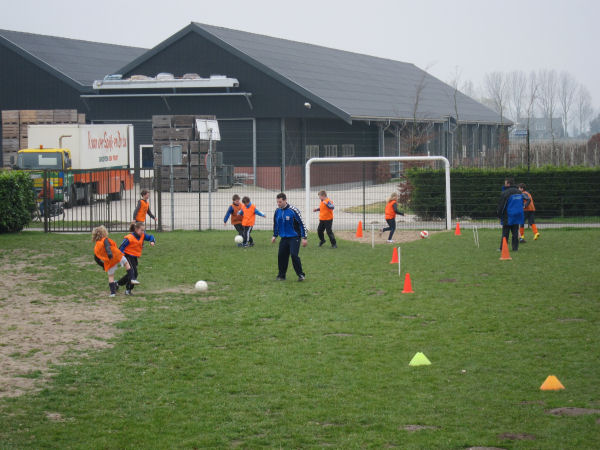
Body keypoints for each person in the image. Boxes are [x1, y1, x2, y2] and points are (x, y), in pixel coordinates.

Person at [92, 225, 138, 297]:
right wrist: (110, 253)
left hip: (109, 261)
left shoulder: (96, 246)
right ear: (104, 233)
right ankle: (132, 278)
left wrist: (102, 265)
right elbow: (107, 246)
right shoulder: (105, 239)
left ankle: (113, 293)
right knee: (127, 264)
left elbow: (96, 258)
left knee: (111, 276)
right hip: (116, 256)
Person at [271, 192, 307, 281]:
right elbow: (276, 224)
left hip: (294, 237)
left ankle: (301, 275)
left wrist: (304, 237)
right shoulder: (277, 211)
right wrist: (274, 235)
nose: (278, 204)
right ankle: (281, 275)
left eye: (280, 202)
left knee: (294, 255)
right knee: (281, 256)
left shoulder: (293, 210)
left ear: (285, 200)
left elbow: (302, 224)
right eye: (277, 202)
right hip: (284, 238)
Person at [117, 222, 156, 295]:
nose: (143, 232)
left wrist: (152, 241)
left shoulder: (142, 236)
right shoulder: (129, 238)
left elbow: (151, 237)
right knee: (134, 273)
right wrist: (121, 257)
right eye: (141, 230)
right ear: (136, 229)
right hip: (127, 256)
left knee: (131, 273)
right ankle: (128, 290)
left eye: (143, 230)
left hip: (134, 257)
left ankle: (117, 284)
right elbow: (121, 247)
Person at [497, 178, 529, 252]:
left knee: (505, 232)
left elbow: (501, 205)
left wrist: (499, 215)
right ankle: (515, 248)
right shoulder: (519, 192)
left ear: (508, 184)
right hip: (517, 215)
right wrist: (524, 206)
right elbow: (527, 198)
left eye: (505, 183)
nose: (504, 184)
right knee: (515, 232)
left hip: (507, 215)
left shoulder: (505, 193)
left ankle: (502, 248)